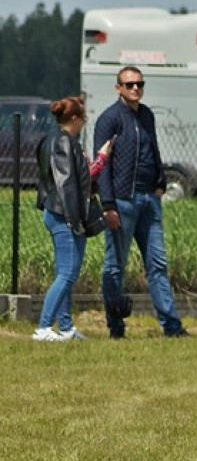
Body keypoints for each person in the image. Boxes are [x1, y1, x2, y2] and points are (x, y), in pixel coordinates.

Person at [93, 66, 188, 339]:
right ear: (118, 88)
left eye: (139, 84)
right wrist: (108, 204)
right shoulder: (108, 119)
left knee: (157, 264)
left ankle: (172, 326)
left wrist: (160, 183)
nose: (135, 88)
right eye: (130, 84)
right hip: (122, 201)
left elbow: (153, 149)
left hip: (150, 200)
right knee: (115, 266)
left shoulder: (146, 115)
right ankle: (116, 325)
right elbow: (103, 166)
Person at [32, 96, 114, 341]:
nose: (85, 122)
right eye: (84, 118)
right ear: (75, 118)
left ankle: (66, 327)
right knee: (68, 273)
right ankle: (44, 327)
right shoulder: (64, 142)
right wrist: (102, 158)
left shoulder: (52, 139)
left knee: (64, 273)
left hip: (59, 212)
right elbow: (70, 183)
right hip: (64, 215)